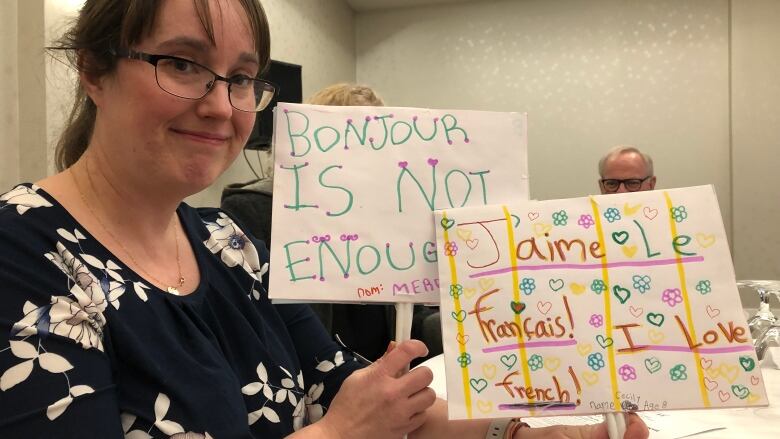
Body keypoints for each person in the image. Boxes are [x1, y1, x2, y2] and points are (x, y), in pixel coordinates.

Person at [0, 1, 649, 438]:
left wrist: (524, 430)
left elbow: (353, 392)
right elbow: (349, 421)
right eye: (183, 64)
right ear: (93, 69)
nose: (222, 106)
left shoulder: (227, 244)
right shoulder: (21, 255)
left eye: (242, 77)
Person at [221, 83, 441, 364]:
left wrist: (464, 321)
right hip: (312, 391)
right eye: (352, 138)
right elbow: (257, 330)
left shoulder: (387, 215)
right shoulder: (256, 211)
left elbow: (412, 321)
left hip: (386, 382)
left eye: (377, 142)